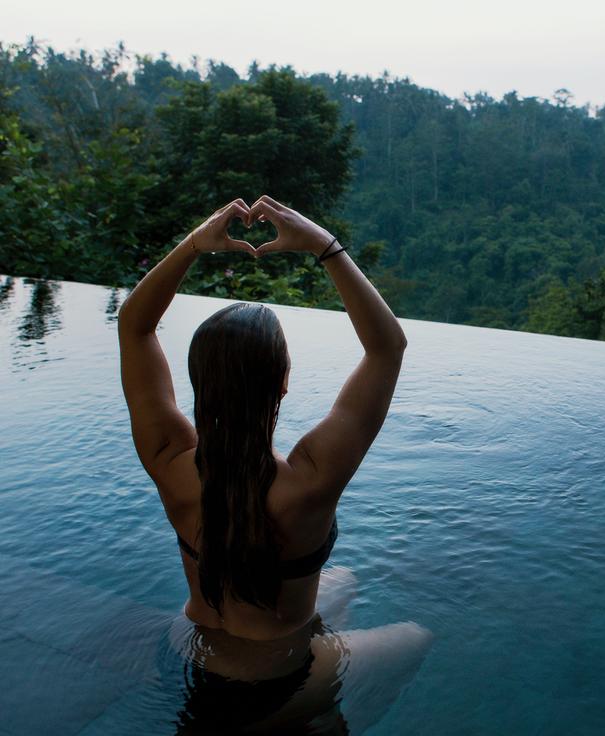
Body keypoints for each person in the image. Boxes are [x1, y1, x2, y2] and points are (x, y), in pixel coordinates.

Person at [117, 196, 432, 733]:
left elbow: (134, 326)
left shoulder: (169, 459)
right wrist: (325, 246)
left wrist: (194, 244)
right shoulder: (311, 479)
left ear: (198, 384)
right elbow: (387, 348)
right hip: (277, 677)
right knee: (417, 637)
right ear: (283, 383)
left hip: (188, 649)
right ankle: (304, 715)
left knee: (345, 580)